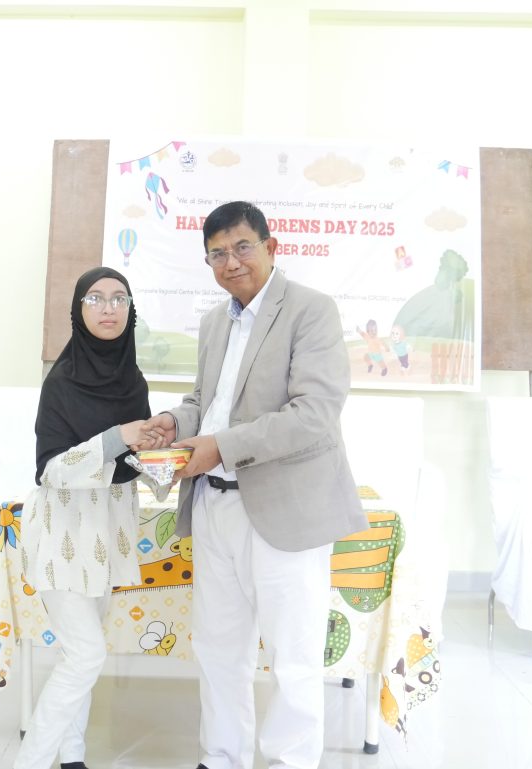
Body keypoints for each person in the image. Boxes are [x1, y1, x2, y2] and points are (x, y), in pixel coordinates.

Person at [142, 202, 368, 769]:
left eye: (242, 247)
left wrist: (220, 446)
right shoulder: (215, 322)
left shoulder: (311, 310)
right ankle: (221, 756)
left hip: (286, 511)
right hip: (213, 505)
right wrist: (174, 422)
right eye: (217, 253)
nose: (231, 262)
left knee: (292, 656)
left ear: (271, 246)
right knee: (218, 648)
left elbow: (315, 413)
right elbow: (206, 403)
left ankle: (291, 761)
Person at [15, 266, 154, 769]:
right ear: (78, 310)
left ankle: (72, 756)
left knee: (78, 656)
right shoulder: (61, 382)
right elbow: (51, 470)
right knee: (86, 655)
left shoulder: (133, 380)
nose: (109, 308)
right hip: (63, 536)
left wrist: (161, 453)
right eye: (95, 299)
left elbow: (130, 464)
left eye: (119, 298)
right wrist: (119, 437)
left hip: (108, 536)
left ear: (131, 311)